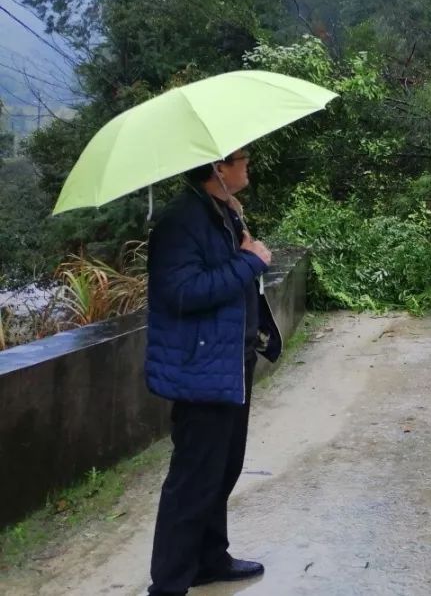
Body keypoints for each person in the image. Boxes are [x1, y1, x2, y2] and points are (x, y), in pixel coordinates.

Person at [145, 148, 282, 596]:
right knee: (193, 478)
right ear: (218, 168)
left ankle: (209, 559)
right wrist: (250, 260)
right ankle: (168, 584)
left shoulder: (220, 213)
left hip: (230, 361)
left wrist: (242, 240)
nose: (249, 165)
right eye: (242, 159)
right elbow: (181, 292)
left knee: (223, 469)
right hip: (201, 367)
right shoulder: (180, 221)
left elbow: (229, 275)